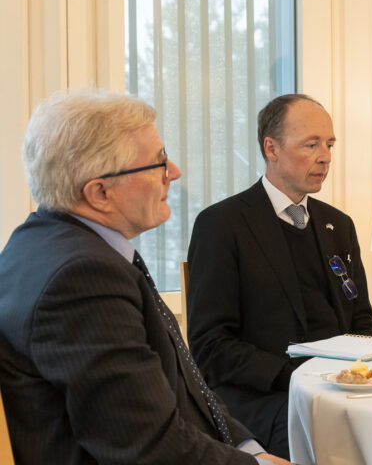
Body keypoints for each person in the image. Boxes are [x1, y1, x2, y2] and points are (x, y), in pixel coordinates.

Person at [0, 90, 290, 464]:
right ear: (100, 192)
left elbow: (189, 390)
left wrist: (251, 450)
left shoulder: (48, 243)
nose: (174, 172)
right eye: (158, 162)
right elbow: (147, 448)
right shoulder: (81, 279)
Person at [187, 94, 372, 456]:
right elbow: (210, 344)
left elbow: (362, 319)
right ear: (271, 148)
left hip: (341, 388)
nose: (325, 157)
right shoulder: (222, 225)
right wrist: (296, 375)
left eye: (329, 144)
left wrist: (361, 372)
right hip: (264, 396)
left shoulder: (338, 225)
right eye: (311, 144)